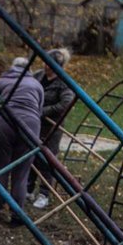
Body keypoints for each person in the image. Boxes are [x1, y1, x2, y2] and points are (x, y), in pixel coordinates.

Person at [0, 56, 44, 226]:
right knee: (21, 173)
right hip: (30, 125)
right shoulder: (36, 85)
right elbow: (39, 110)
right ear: (29, 70)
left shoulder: (2, 81)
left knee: (0, 168)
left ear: (12, 67)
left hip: (4, 121)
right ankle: (17, 216)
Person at [30, 48, 75, 210]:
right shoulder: (38, 75)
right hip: (34, 123)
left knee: (47, 159)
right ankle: (28, 189)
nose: (46, 66)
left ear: (58, 66)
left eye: (49, 64)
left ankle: (44, 194)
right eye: (45, 62)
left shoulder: (64, 83)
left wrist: (44, 111)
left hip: (51, 127)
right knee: (31, 155)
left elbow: (66, 103)